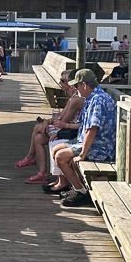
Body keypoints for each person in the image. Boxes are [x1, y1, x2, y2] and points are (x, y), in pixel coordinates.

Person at [52, 69, 117, 208]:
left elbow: (92, 130)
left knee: (60, 157)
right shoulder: (92, 97)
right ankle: (77, 188)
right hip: (87, 141)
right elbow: (84, 126)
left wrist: (82, 155)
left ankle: (82, 193)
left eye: (77, 86)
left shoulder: (98, 101)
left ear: (85, 85)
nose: (75, 89)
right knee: (55, 149)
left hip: (100, 147)